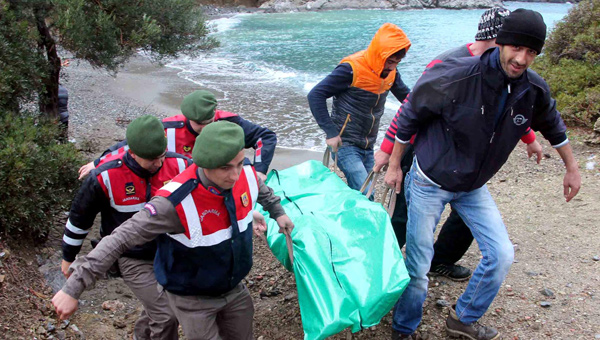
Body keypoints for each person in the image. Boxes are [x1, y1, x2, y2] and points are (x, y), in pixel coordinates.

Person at [384, 9, 581, 339]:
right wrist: (393, 165)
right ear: (501, 42)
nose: (521, 58)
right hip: (430, 179)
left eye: (531, 52)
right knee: (418, 267)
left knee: (501, 255)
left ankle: (462, 317)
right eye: (516, 47)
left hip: (472, 185)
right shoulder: (457, 75)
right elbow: (410, 115)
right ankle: (404, 328)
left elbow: (553, 125)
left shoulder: (532, 89)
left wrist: (572, 167)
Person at [53, 121, 295, 340]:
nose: (235, 174)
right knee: (163, 315)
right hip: (193, 298)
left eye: (240, 163)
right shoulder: (173, 202)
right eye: (225, 168)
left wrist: (277, 212)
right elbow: (119, 239)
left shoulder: (245, 173)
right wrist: (74, 286)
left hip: (234, 288)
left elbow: (259, 188)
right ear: (204, 163)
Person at [375, 7, 544, 282]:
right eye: (513, 43)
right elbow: (410, 107)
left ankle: (439, 260)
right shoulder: (449, 63)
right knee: (404, 216)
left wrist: (529, 137)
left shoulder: (502, 70)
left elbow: (508, 106)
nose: (517, 55)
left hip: (467, 155)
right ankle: (383, 267)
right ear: (497, 38)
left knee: (466, 216)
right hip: (423, 149)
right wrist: (387, 151)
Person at [61, 115, 191, 340]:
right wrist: (68, 257)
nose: (158, 164)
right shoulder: (105, 176)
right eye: (151, 159)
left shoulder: (181, 165)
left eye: (161, 156)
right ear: (132, 153)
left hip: (171, 252)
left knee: (160, 305)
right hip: (132, 256)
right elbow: (79, 219)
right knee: (166, 315)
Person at [79, 90, 277, 181]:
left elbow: (265, 137)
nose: (203, 129)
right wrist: (97, 163)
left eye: (207, 123)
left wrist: (260, 170)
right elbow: (133, 145)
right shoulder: (169, 127)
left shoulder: (229, 122)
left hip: (224, 178)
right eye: (198, 124)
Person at [308, 23, 411, 193]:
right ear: (379, 55)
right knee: (366, 192)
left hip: (368, 144)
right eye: (390, 61)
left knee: (361, 191)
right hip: (344, 143)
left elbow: (407, 99)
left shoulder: (391, 72)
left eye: (397, 62)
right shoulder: (351, 69)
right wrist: (331, 133)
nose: (392, 66)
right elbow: (315, 95)